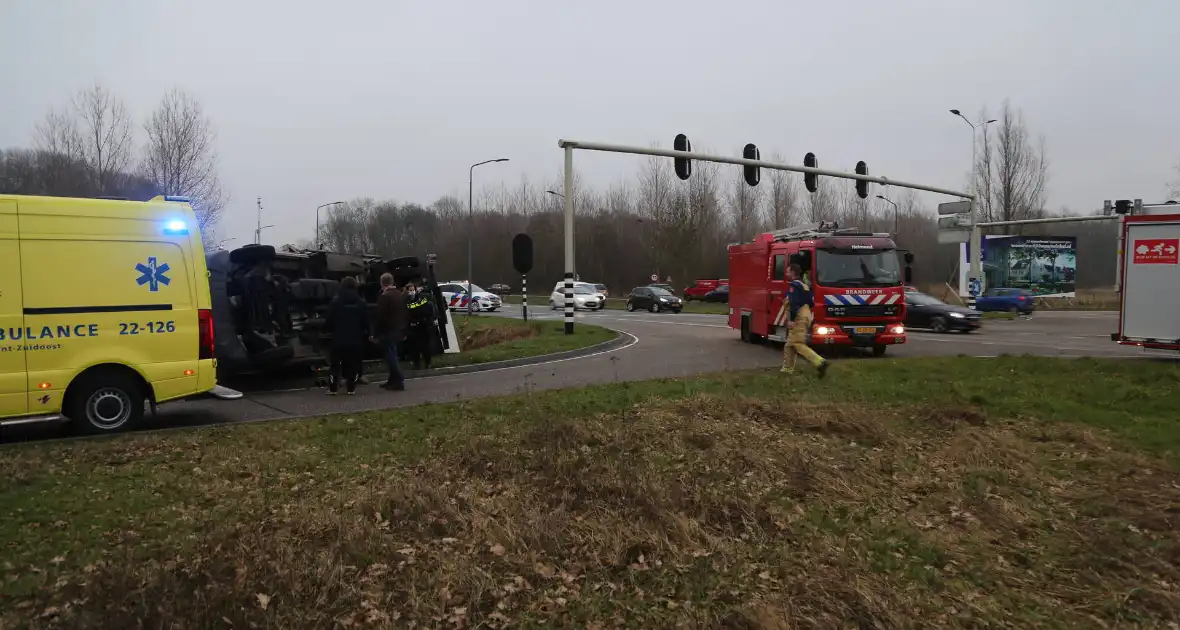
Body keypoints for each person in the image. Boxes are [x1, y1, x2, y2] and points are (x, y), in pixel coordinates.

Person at [323, 276, 370, 395]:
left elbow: (329, 320)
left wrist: (328, 330)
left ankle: (333, 388)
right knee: (352, 365)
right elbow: (366, 321)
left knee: (335, 365)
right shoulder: (360, 302)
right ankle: (351, 388)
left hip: (338, 339)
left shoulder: (335, 301)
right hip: (355, 339)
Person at [782, 263, 830, 378]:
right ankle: (787, 369)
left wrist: (792, 320)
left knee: (797, 343)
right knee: (789, 345)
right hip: (806, 315)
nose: (786, 273)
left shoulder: (794, 286)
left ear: (793, 273)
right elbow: (811, 302)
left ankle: (820, 362)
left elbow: (794, 304)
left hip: (799, 316)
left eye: (788, 271)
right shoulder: (805, 286)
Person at [373, 272, 408, 390]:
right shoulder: (400, 295)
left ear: (382, 283)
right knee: (393, 353)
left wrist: (375, 333)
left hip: (388, 330)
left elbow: (380, 317)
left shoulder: (384, 297)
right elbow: (406, 313)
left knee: (390, 356)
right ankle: (392, 380)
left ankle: (398, 380)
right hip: (399, 328)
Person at [404, 281, 437, 370]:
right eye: (410, 290)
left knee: (425, 346)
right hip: (412, 327)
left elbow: (423, 308)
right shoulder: (405, 301)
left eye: (413, 290)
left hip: (423, 326)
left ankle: (427, 363)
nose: (412, 292)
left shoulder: (421, 298)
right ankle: (417, 364)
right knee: (414, 347)